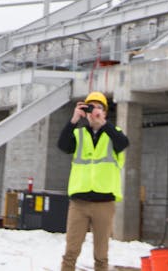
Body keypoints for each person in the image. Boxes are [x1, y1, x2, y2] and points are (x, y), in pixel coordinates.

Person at [57, 90, 128, 271]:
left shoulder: (114, 134)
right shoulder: (79, 134)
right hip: (79, 203)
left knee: (101, 255)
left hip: (104, 202)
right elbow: (63, 145)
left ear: (105, 112)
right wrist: (73, 120)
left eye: (99, 108)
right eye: (91, 108)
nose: (95, 112)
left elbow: (123, 143)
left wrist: (103, 124)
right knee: (71, 252)